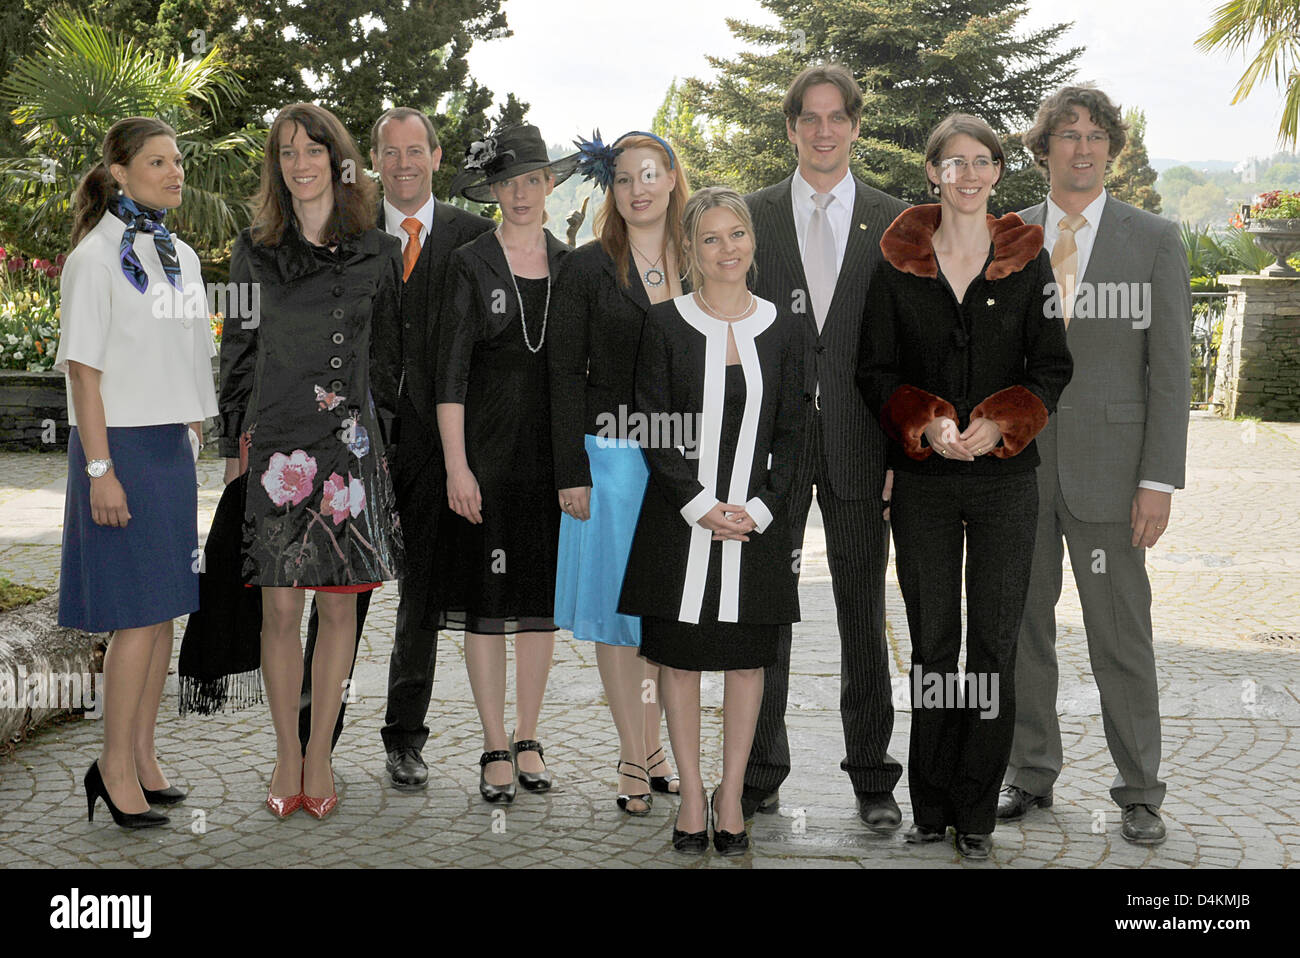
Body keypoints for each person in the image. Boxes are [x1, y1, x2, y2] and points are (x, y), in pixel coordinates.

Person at [857, 113, 1072, 858]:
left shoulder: (1027, 258)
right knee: (933, 644)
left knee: (992, 645)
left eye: (984, 162)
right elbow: (875, 370)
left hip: (1008, 484)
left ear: (996, 173)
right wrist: (928, 421)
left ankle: (976, 812)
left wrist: (1002, 418)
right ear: (933, 174)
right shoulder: (896, 262)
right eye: (956, 163)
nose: (971, 175)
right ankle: (929, 804)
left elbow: (1052, 367)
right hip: (925, 485)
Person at [999, 86, 1191, 845]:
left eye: (1095, 136)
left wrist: (1157, 481)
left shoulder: (1153, 239)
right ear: (1043, 149)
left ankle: (1140, 789)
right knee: (1021, 629)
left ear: (1113, 148)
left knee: (1120, 633)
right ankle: (1030, 770)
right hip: (1020, 471)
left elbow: (1170, 372)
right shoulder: (1008, 234)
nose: (1082, 147)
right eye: (1066, 135)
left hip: (1114, 478)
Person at [297, 108, 495, 788]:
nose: (404, 163)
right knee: (339, 594)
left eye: (417, 150)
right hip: (353, 446)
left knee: (421, 599)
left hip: (438, 450)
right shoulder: (346, 235)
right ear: (374, 161)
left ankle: (405, 737)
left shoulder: (476, 238)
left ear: (437, 157)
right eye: (391, 151)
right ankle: (312, 736)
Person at [218, 102, 404, 820]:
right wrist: (235, 448)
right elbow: (238, 350)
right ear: (278, 166)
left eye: (313, 150)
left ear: (337, 159)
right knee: (280, 606)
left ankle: (320, 751)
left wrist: (378, 446)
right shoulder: (252, 251)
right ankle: (285, 752)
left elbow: (390, 363)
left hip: (349, 451)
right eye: (287, 152)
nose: (301, 164)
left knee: (337, 611)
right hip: (273, 450)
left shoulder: (378, 251)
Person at [741, 63, 908, 829]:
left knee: (862, 616)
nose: (823, 130)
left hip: (861, 451)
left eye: (836, 116)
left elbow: (910, 349)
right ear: (791, 128)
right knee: (766, 613)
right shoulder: (753, 216)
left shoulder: (897, 222)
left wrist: (903, 456)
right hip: (768, 453)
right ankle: (758, 768)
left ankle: (874, 776)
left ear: (856, 126)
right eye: (808, 118)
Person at [618, 187, 808, 855]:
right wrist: (700, 506)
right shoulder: (665, 323)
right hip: (680, 524)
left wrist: (757, 510)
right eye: (711, 239)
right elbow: (651, 425)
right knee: (681, 662)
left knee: (747, 665)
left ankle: (732, 795)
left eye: (737, 235)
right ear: (689, 252)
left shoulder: (784, 326)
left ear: (751, 242)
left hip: (756, 527)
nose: (727, 249)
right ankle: (692, 795)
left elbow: (795, 431)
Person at [57, 117, 219, 829]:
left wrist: (192, 430)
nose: (174, 171)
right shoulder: (92, 261)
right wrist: (100, 470)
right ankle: (111, 767)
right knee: (134, 619)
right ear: (119, 172)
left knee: (163, 618)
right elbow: (85, 377)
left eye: (178, 160)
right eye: (158, 161)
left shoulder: (179, 253)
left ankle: (144, 757)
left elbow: (193, 356)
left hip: (167, 454)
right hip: (116, 451)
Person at [434, 123, 577, 804]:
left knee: (538, 609)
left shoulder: (573, 264)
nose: (519, 194)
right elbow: (450, 377)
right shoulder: (470, 263)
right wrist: (456, 467)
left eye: (531, 179)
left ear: (550, 184)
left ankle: (528, 734)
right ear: (492, 190)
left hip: (549, 468)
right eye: (506, 182)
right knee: (487, 607)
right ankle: (493, 741)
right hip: (484, 464)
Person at [550, 130, 689, 814]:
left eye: (649, 174)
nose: (638, 188)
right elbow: (562, 373)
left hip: (684, 463)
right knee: (618, 616)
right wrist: (570, 470)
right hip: (608, 460)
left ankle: (657, 746)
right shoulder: (585, 269)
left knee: (663, 616)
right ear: (613, 188)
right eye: (625, 178)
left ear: (670, 179)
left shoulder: (701, 258)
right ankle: (633, 757)